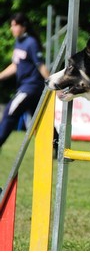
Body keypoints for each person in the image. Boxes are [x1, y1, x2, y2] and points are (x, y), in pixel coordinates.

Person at [0, 12, 58, 154]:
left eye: (15, 25)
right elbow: (15, 65)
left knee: (10, 111)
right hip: (26, 87)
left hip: (31, 87)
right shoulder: (18, 42)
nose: (12, 29)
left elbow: (41, 66)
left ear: (23, 26)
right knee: (41, 120)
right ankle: (59, 145)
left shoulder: (31, 42)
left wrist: (54, 84)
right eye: (11, 26)